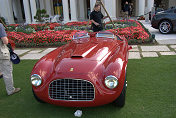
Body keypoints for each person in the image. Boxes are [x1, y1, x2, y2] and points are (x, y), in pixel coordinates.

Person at [0, 23, 21, 96]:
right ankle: (11, 90)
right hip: (2, 53)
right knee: (7, 73)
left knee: (2, 70)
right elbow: (5, 41)